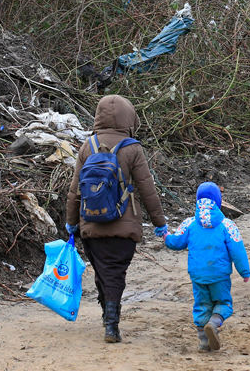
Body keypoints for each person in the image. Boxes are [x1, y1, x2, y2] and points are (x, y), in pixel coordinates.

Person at [65, 95, 168, 343]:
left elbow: (75, 190)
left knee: (103, 272)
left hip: (91, 223)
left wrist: (71, 223)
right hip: (124, 225)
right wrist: (160, 223)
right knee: (115, 274)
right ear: (128, 117)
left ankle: (106, 315)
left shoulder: (87, 146)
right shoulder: (133, 148)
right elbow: (147, 189)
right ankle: (111, 325)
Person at [165, 182, 250, 352]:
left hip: (198, 275)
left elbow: (176, 242)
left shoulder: (189, 223)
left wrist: (166, 236)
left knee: (202, 305)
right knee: (223, 302)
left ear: (197, 201)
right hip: (219, 275)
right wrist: (244, 272)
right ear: (218, 201)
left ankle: (204, 342)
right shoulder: (227, 225)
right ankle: (214, 322)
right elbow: (237, 250)